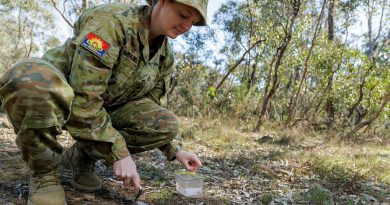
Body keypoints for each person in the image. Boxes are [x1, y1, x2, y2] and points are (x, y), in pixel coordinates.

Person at [0, 0, 208, 204]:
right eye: (183, 15)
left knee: (164, 124)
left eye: (194, 21)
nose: (186, 26)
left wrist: (176, 149)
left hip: (98, 110)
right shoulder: (111, 21)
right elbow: (84, 96)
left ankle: (81, 157)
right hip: (59, 96)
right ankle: (44, 174)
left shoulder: (164, 57)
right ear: (161, 2)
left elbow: (150, 106)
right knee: (29, 79)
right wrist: (119, 152)